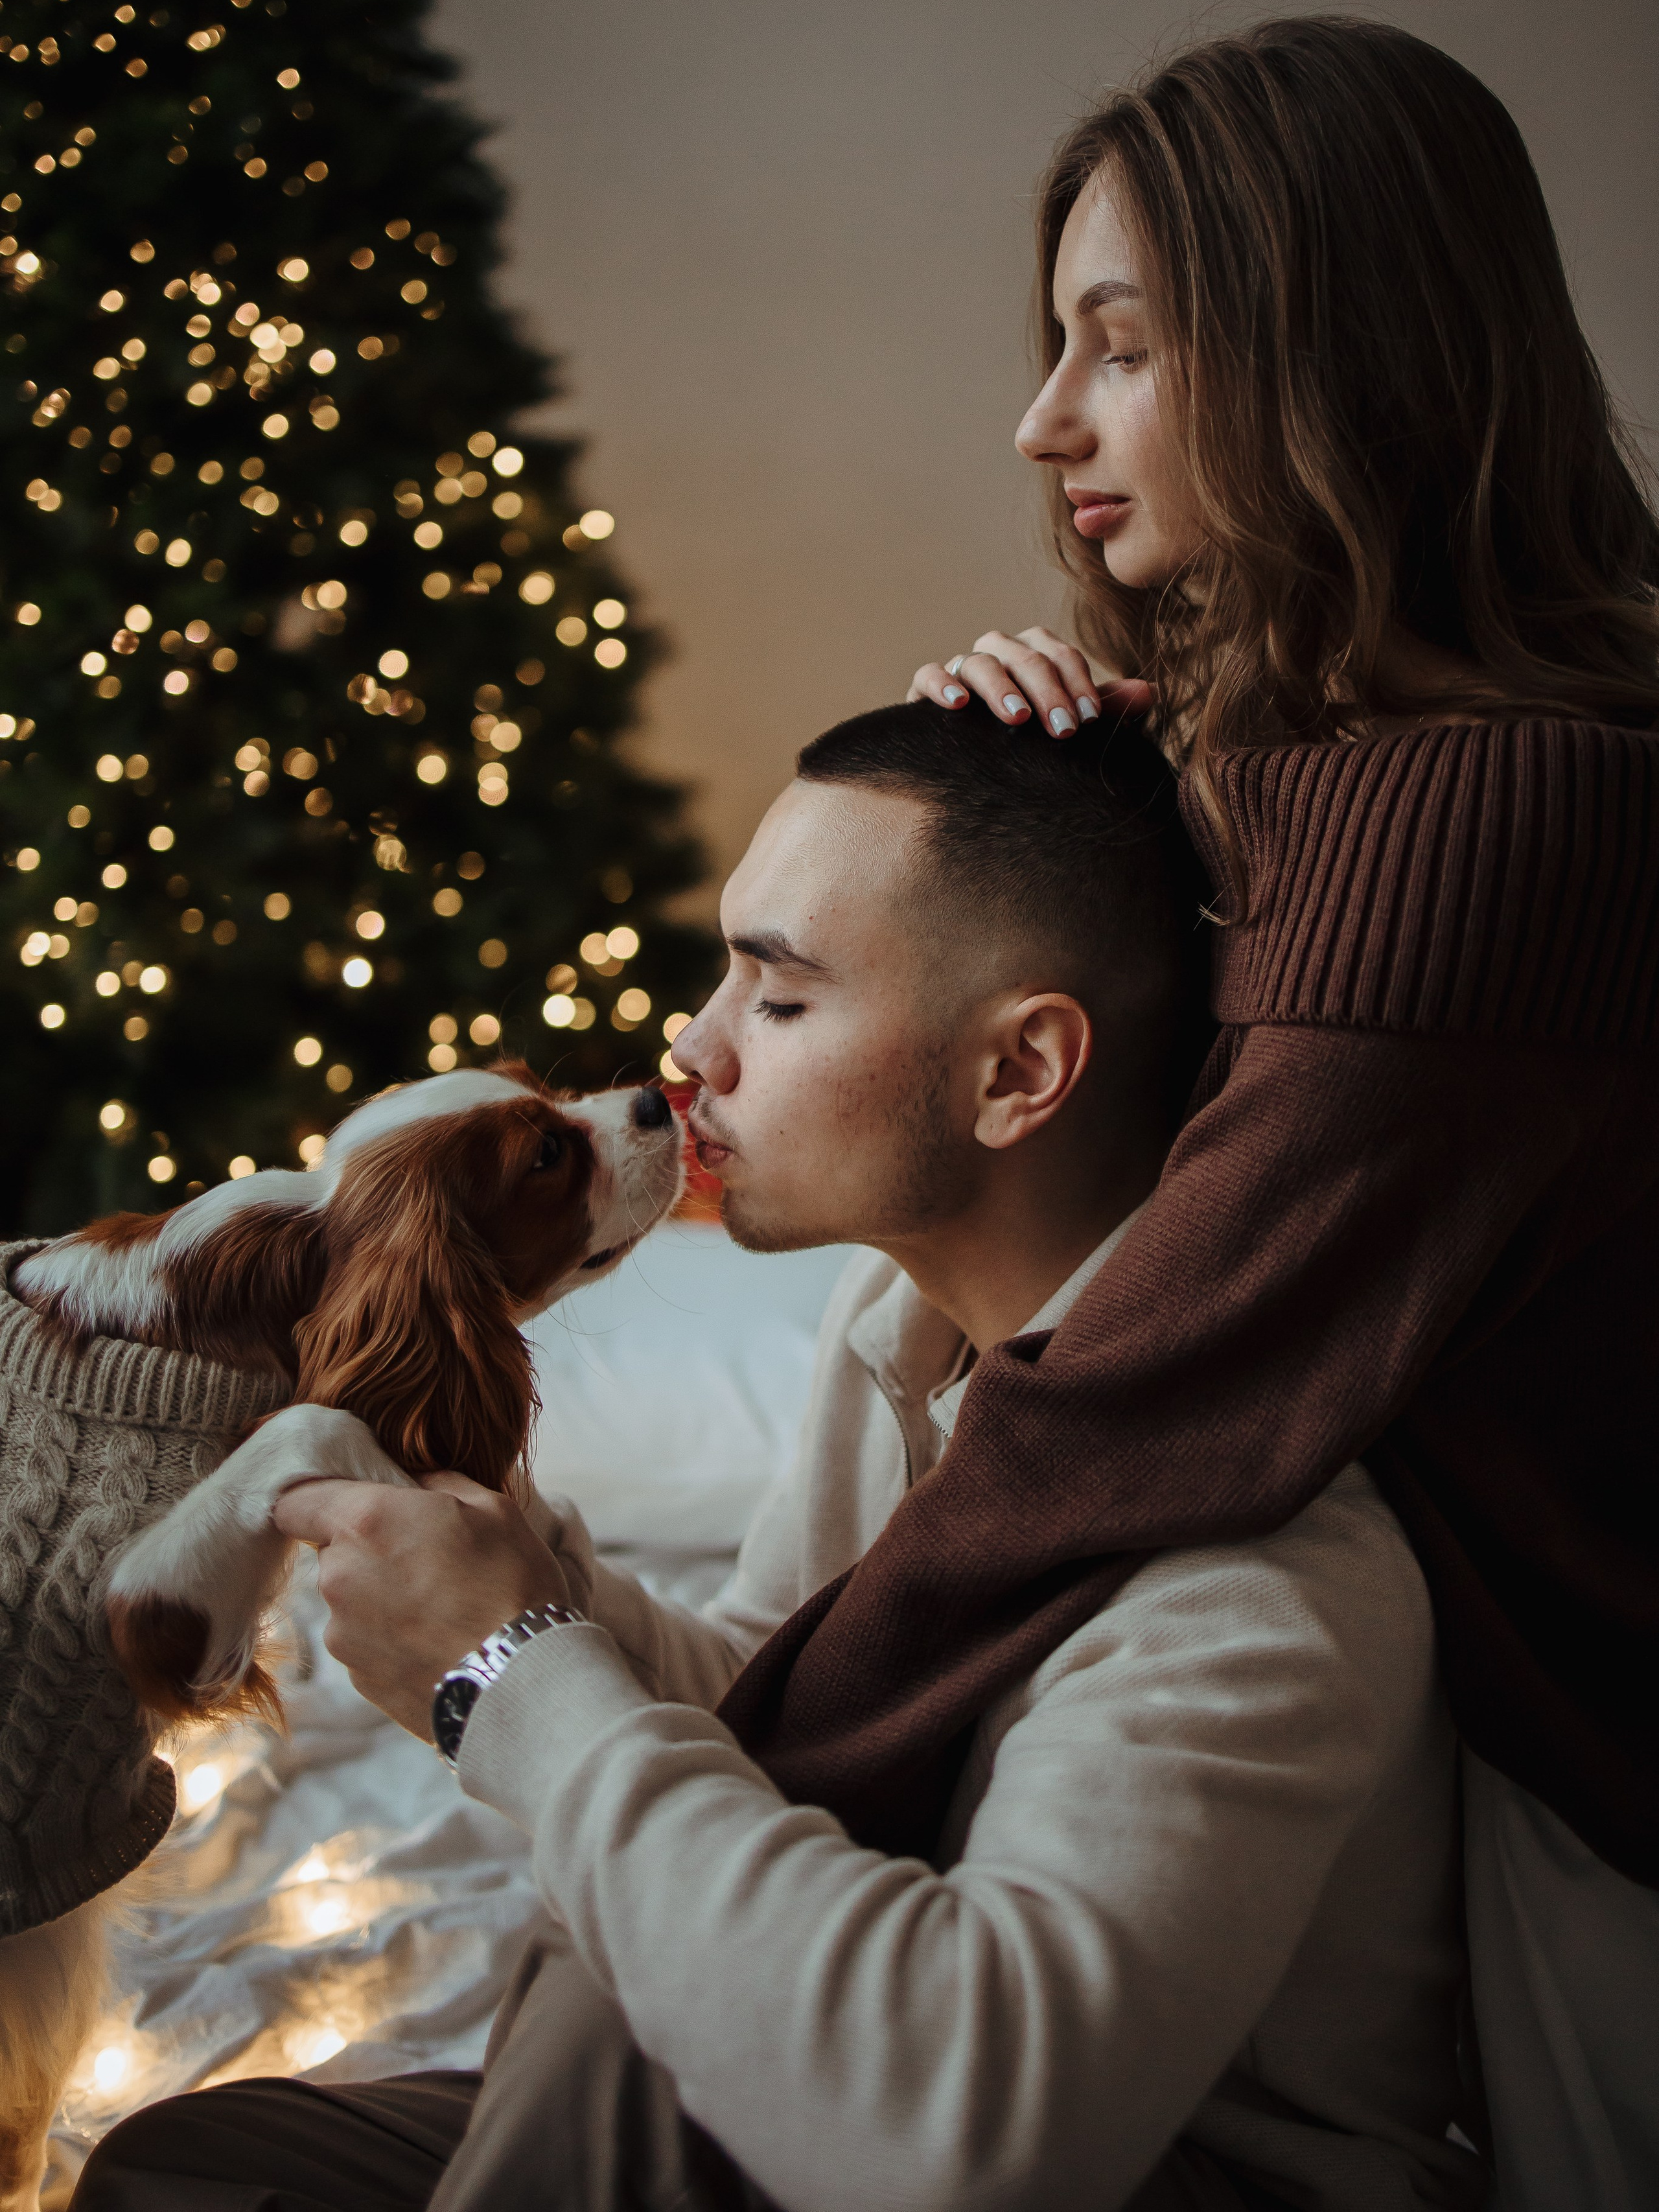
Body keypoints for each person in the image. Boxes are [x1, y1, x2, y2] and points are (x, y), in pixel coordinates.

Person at [75, 703, 1479, 2211]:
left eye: (781, 995)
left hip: (1143, 2164)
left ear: (1018, 1074)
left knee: (622, 2037)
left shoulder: (1258, 1569)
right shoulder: (901, 1328)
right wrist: (525, 1579)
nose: (690, 1050)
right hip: (830, 2068)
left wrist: (506, 1680)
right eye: (723, 970)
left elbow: (963, 2128)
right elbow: (775, 1688)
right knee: (193, 2168)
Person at [888, 16, 1659, 2210]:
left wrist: (684, 1778)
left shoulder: (1507, 814)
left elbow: (1128, 1393)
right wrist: (1061, 814)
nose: (1046, 424)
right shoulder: (1342, 772)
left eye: (1118, 350)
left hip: (1590, 1839)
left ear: (1351, 360)